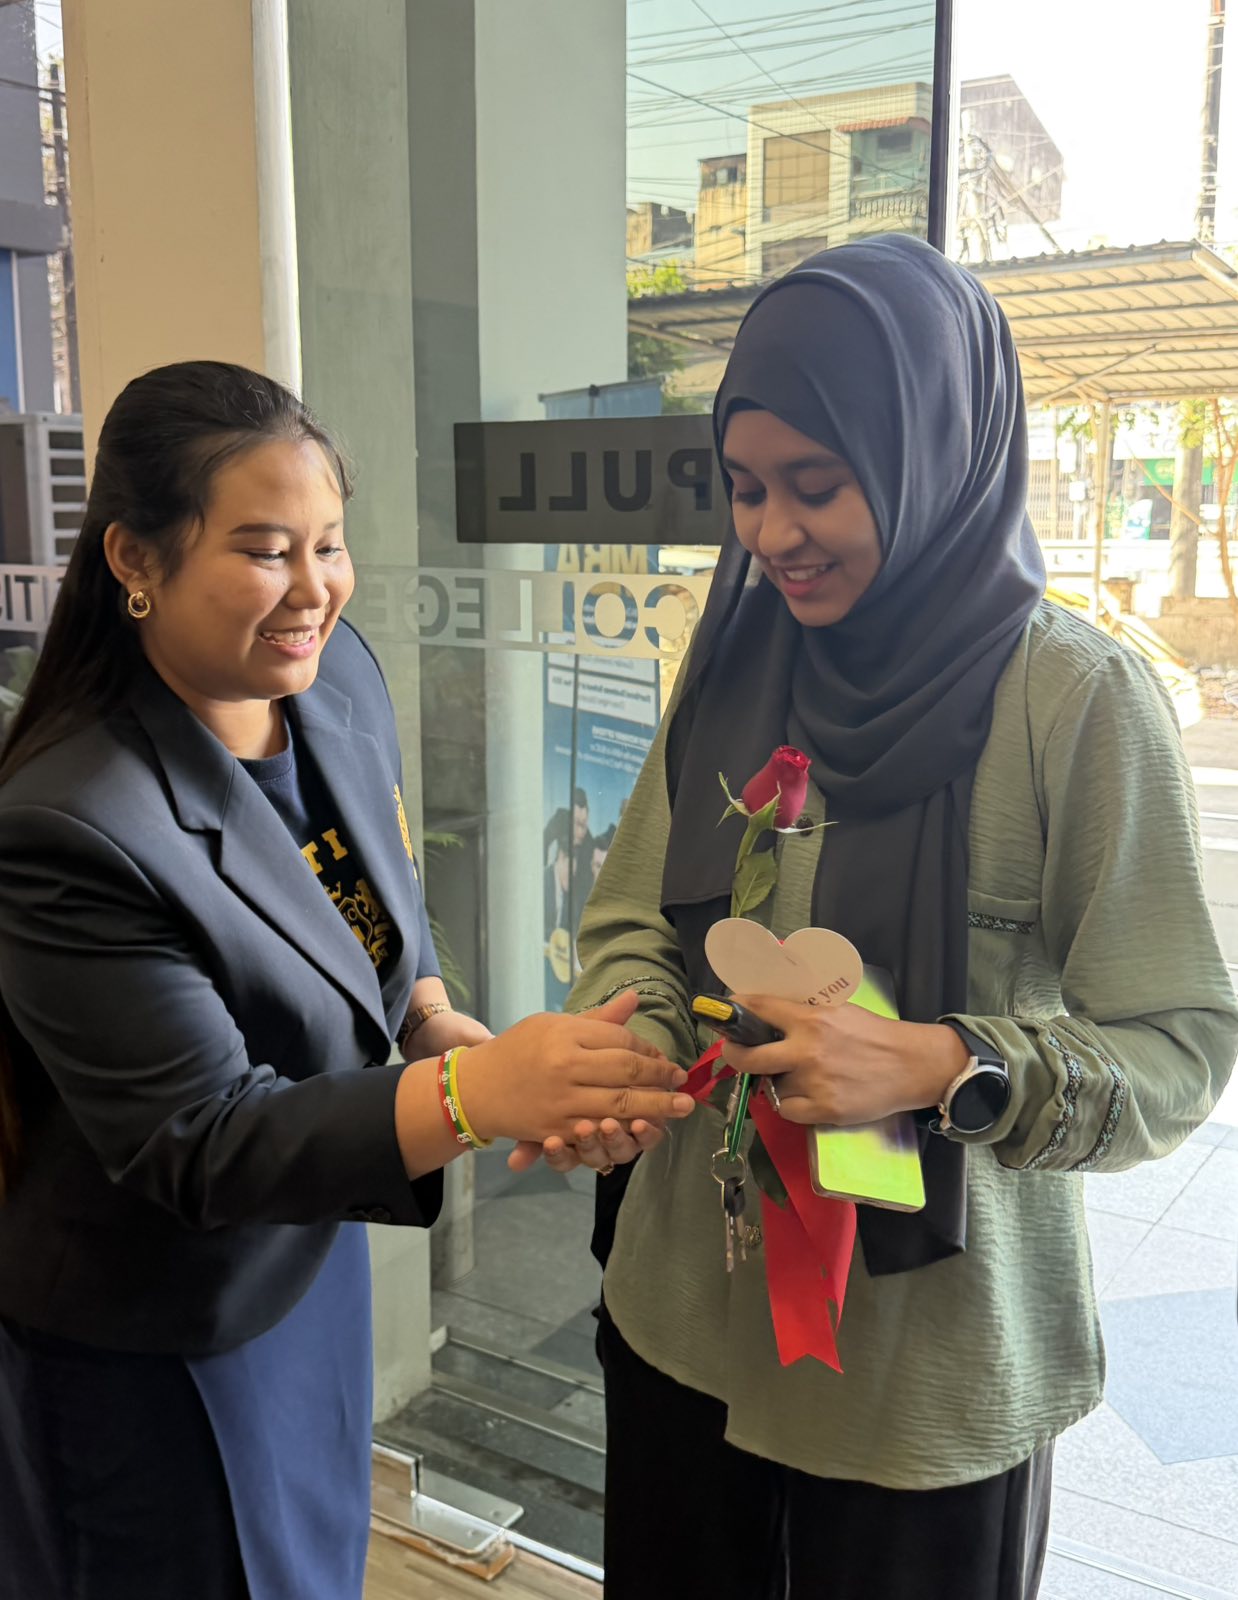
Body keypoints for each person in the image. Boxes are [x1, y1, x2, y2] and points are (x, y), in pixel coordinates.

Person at [565, 236, 1238, 1599]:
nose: (772, 534)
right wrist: (627, 1040)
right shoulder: (733, 660)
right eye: (745, 488)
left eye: (817, 485)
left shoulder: (1070, 701)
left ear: (930, 454)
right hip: (686, 1318)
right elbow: (632, 917)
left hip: (919, 1373)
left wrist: (946, 1061)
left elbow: (1178, 1048)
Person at [0, 360, 695, 1600]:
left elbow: (377, 905)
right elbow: (202, 1139)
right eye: (265, 551)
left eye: (328, 544)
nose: (313, 588)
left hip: (300, 1266)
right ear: (136, 558)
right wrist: (479, 1095)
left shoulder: (334, 680)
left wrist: (431, 1019)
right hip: (154, 1335)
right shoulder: (71, 823)